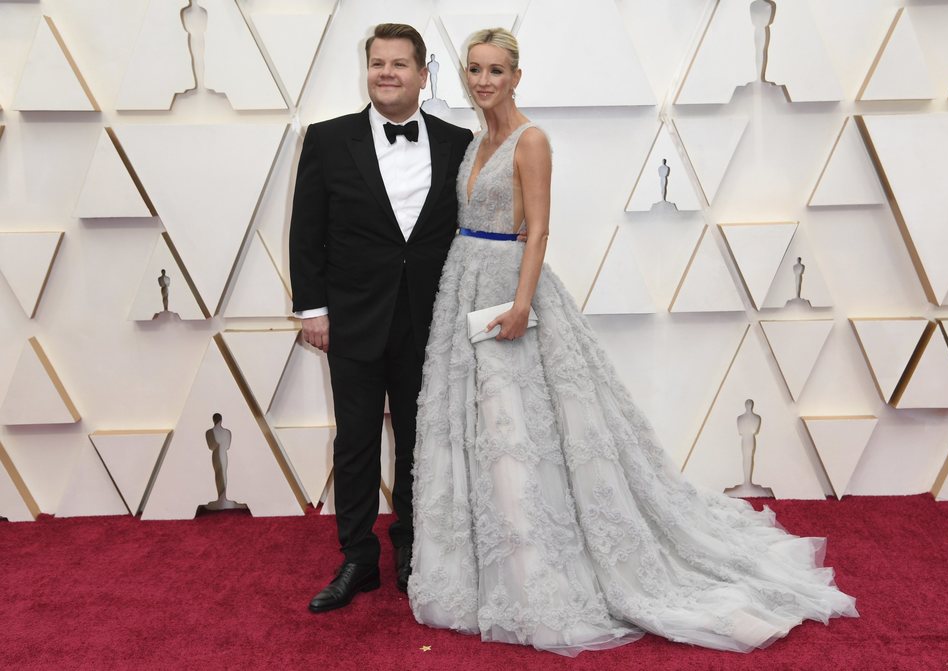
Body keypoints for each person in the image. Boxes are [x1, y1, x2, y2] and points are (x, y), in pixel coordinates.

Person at [408, 28, 858, 655]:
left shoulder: (530, 140)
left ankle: (538, 571)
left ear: (516, 76)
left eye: (495, 71)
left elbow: (538, 231)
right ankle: (494, 567)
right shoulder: (477, 140)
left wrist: (521, 304)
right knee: (479, 428)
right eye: (475, 70)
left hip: (508, 290)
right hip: (463, 285)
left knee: (519, 428)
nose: (483, 81)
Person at [289, 23, 473, 613]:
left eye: (399, 64)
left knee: (423, 442)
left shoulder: (459, 141)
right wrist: (312, 309)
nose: (386, 73)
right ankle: (358, 559)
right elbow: (306, 232)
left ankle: (415, 552)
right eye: (377, 63)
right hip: (352, 319)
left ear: (424, 74)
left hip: (431, 319)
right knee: (357, 441)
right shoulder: (326, 139)